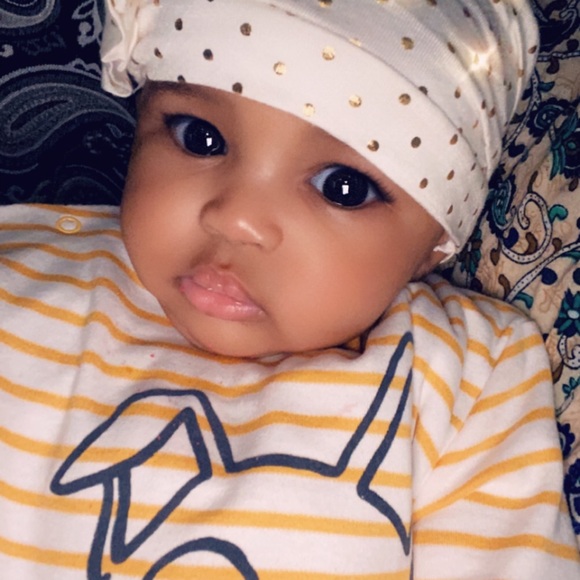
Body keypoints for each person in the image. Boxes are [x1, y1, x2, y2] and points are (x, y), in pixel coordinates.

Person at [0, 0, 578, 577]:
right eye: (201, 138)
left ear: (435, 243)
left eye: (343, 188)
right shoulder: (24, 273)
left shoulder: (469, 376)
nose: (237, 219)